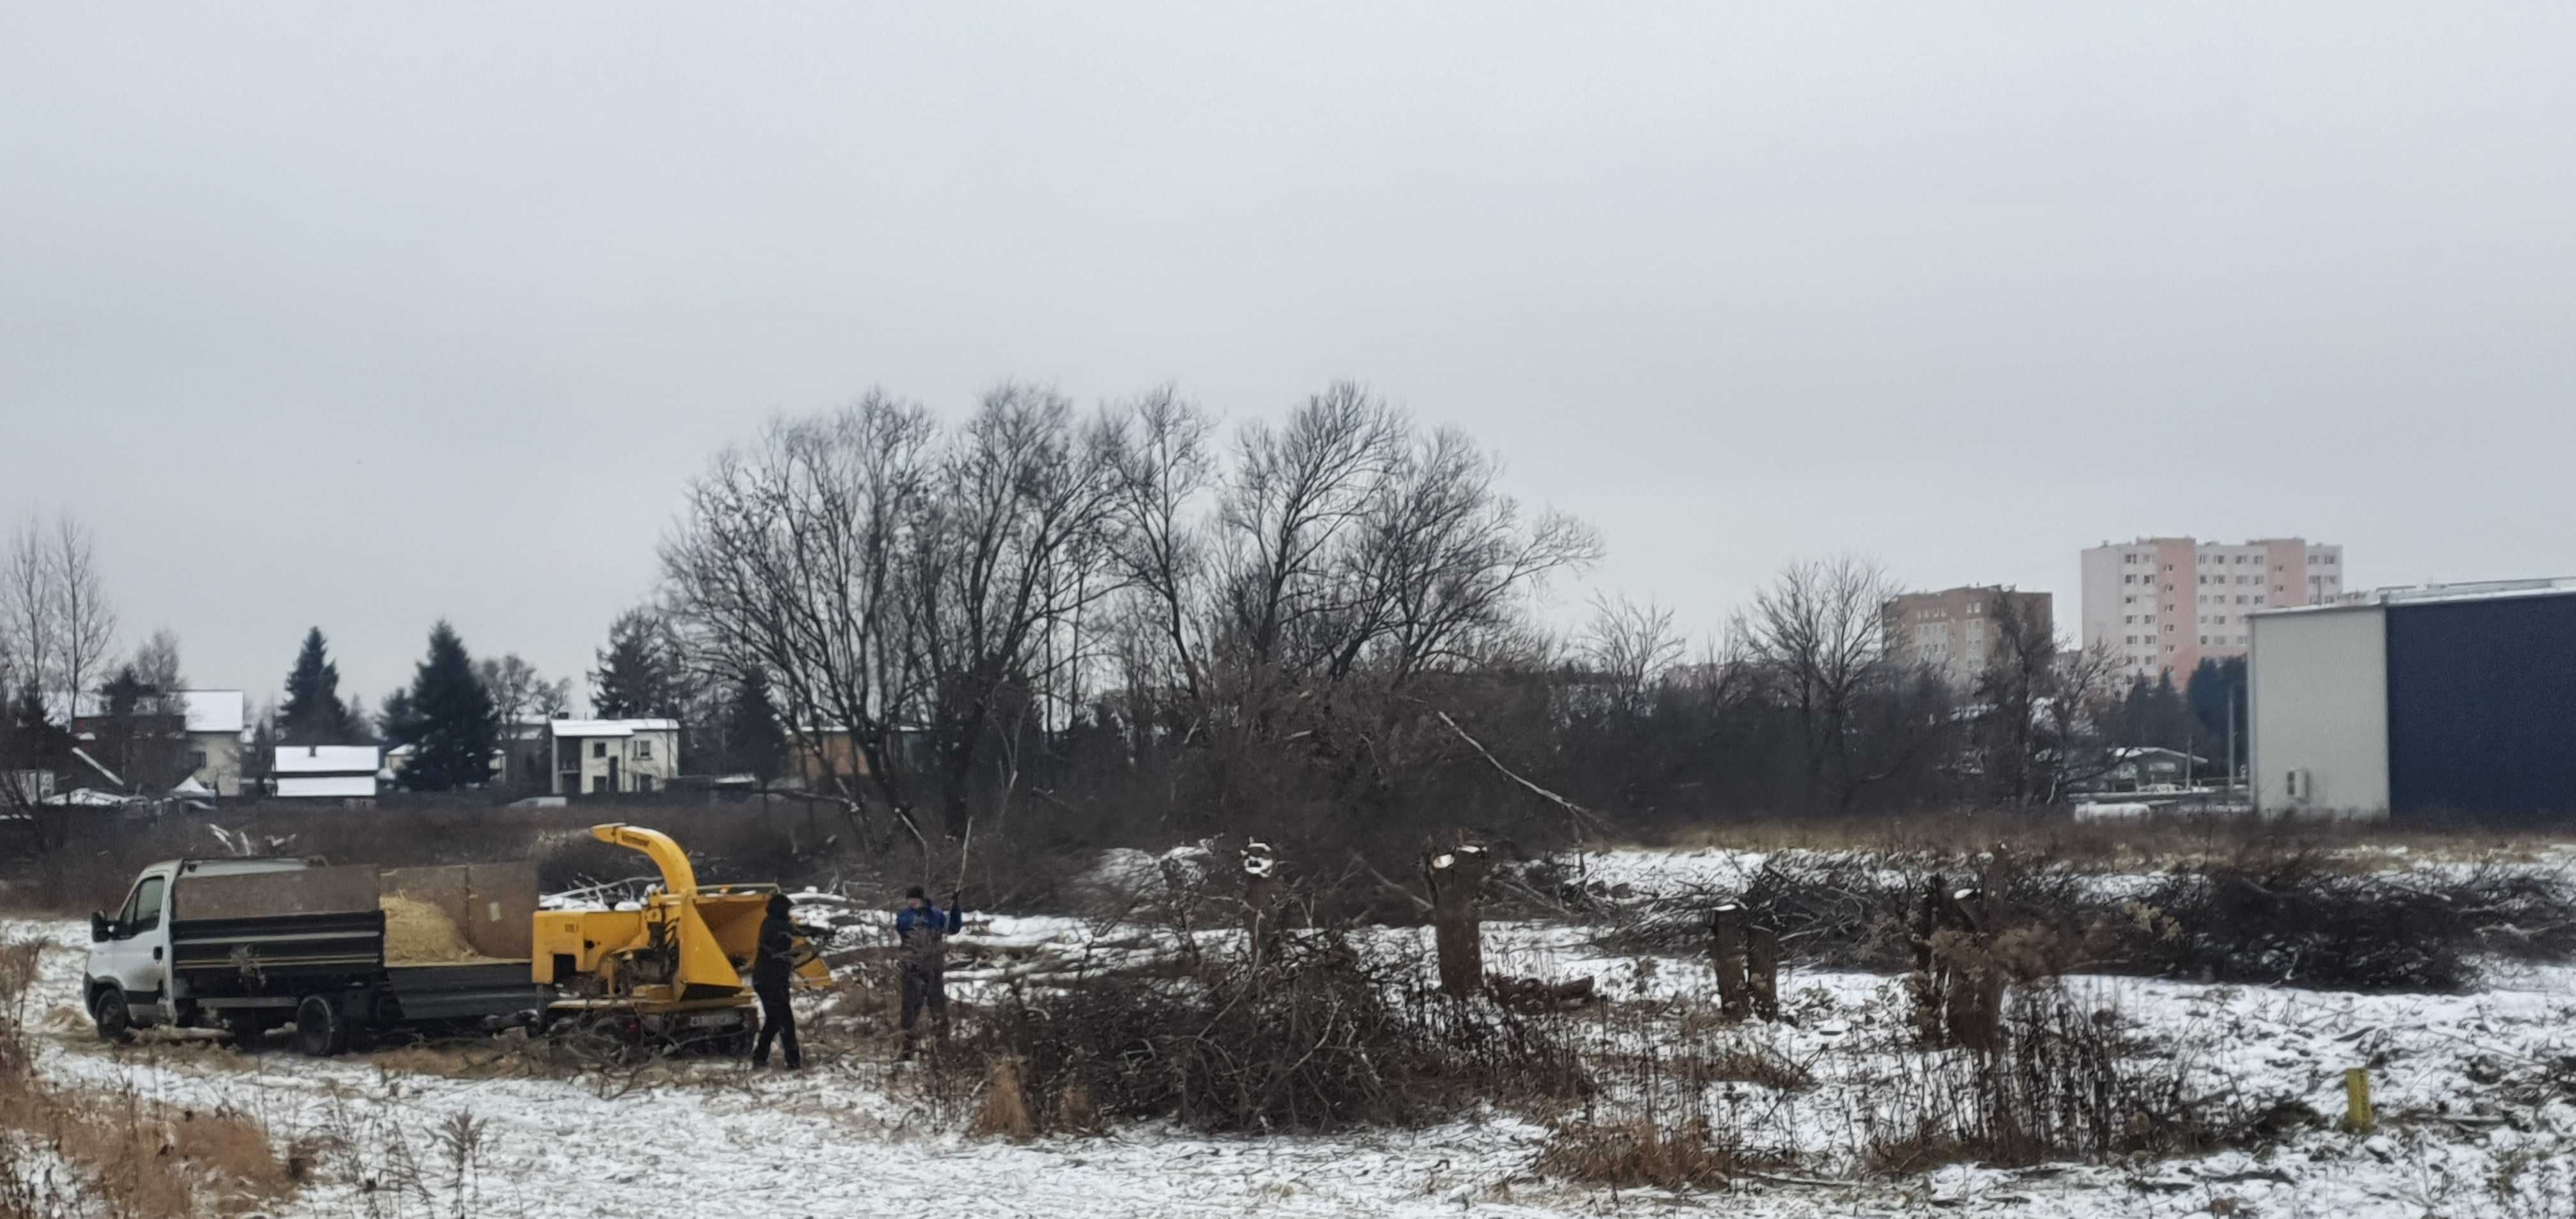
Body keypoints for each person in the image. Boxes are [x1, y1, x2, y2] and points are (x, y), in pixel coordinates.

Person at [893, 885, 962, 1059]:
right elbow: (903, 927)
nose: (912, 903)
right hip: (911, 970)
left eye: (915, 899)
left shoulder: (936, 914)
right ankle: (906, 1050)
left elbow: (952, 928)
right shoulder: (904, 916)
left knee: (938, 1009)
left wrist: (955, 907)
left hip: (933, 969)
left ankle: (943, 1048)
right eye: (909, 900)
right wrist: (922, 919)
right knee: (909, 1012)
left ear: (922, 899)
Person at [750, 893, 801, 1070]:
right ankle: (794, 1062)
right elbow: (790, 934)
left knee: (774, 1020)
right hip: (770, 982)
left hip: (769, 981)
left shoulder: (775, 924)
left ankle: (760, 1057)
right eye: (787, 909)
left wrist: (821, 932)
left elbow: (795, 930)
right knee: (786, 1021)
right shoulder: (774, 925)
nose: (789, 913)